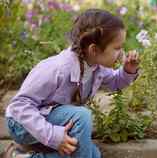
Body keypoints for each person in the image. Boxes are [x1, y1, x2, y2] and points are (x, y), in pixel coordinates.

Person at [4, 8, 140, 158]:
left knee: (93, 154)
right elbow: (20, 105)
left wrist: (128, 71)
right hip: (23, 125)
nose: (122, 53)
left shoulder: (96, 67)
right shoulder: (57, 69)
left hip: (50, 122)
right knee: (81, 117)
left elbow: (115, 82)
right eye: (117, 48)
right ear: (94, 49)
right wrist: (53, 136)